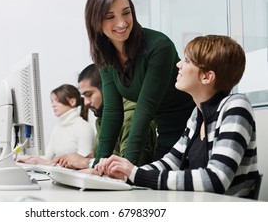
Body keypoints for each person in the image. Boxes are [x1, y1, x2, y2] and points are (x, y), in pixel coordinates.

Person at [96, 35, 260, 197]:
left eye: (187, 61)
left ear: (206, 76)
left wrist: (136, 175)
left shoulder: (236, 106)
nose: (178, 64)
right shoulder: (197, 114)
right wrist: (125, 173)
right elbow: (171, 162)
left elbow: (216, 178)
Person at [85, 0, 195, 165]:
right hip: (164, 131)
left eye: (126, 13)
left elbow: (144, 110)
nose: (121, 23)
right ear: (95, 22)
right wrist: (97, 166)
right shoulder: (105, 56)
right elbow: (112, 112)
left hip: (189, 131)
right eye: (110, 16)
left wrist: (128, 167)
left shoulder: (159, 46)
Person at [54, 64, 157, 169]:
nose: (86, 102)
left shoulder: (131, 118)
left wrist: (87, 163)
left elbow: (129, 171)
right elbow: (102, 161)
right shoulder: (102, 120)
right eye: (83, 96)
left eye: (89, 94)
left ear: (107, 89)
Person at [18, 84, 95, 165]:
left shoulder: (84, 128)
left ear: (72, 102)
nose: (53, 105)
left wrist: (44, 163)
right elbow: (46, 158)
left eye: (57, 100)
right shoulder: (57, 128)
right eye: (52, 101)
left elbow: (83, 165)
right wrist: (25, 159)